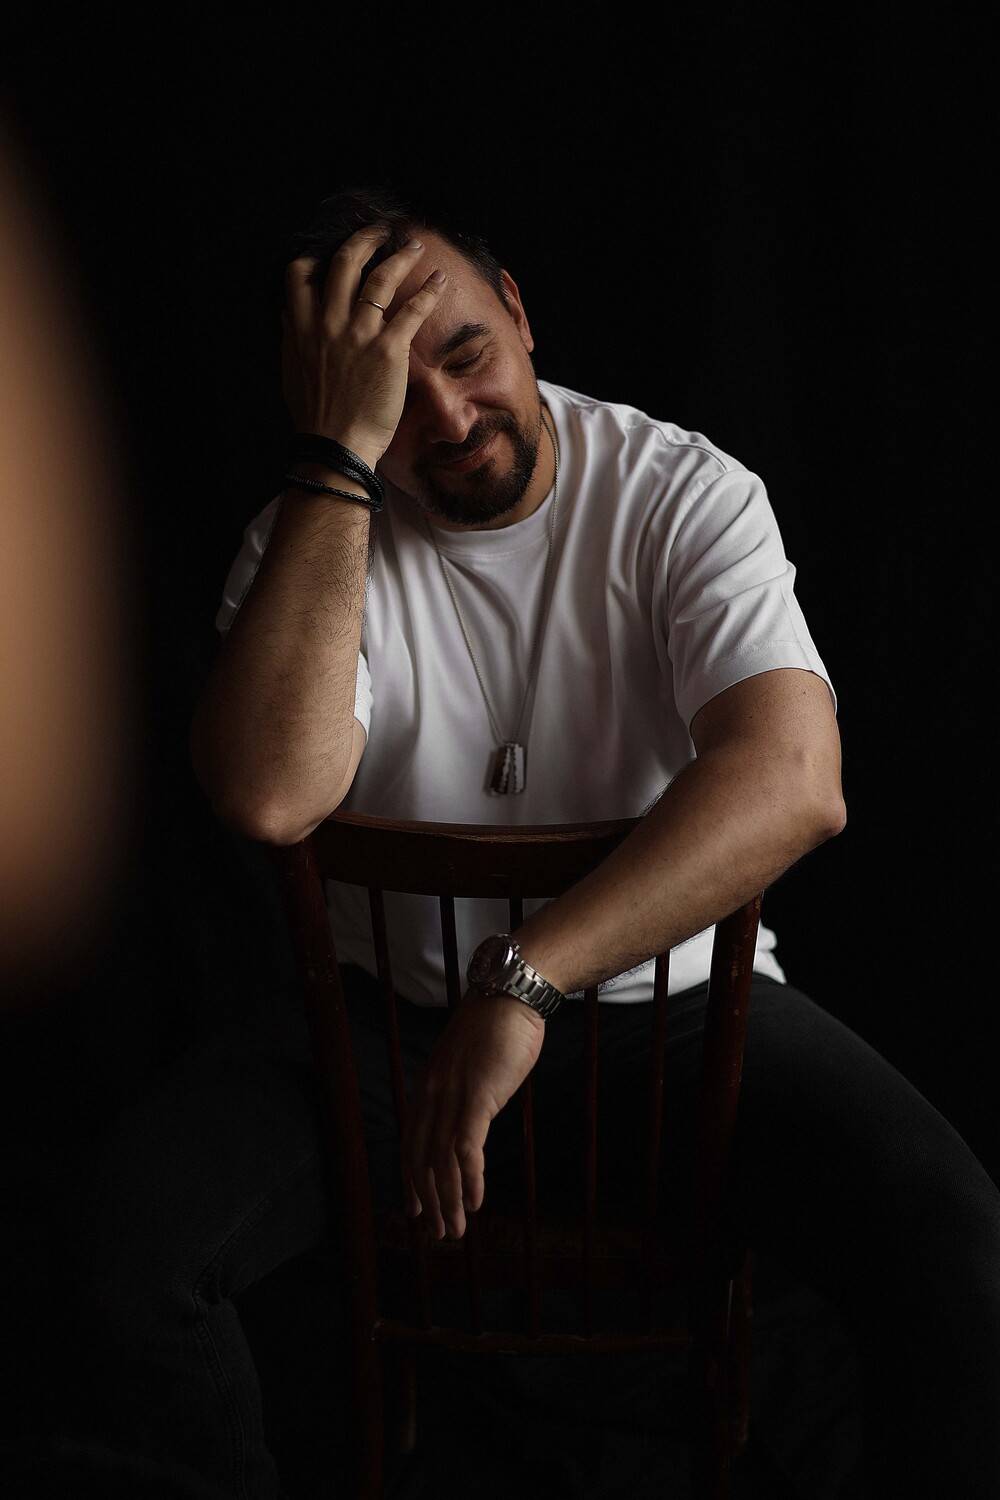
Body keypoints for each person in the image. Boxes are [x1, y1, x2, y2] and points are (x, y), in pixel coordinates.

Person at [18, 185, 1000, 1499]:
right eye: (389, 394)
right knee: (118, 1258)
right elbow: (266, 797)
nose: (446, 418)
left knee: (959, 1246)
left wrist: (523, 981)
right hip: (384, 1036)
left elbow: (794, 782)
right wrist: (338, 459)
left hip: (676, 1016)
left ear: (522, 313)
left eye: (467, 353)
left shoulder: (679, 490)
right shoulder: (310, 537)